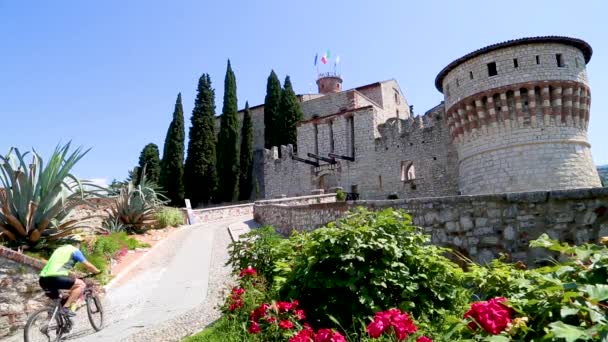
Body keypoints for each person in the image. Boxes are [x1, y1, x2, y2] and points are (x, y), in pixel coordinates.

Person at [38, 234, 100, 316]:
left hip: (43, 279)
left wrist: (70, 274)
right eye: (79, 243)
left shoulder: (58, 250)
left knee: (60, 299)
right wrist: (97, 271)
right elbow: (87, 265)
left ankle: (59, 319)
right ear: (77, 243)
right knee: (80, 285)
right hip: (56, 277)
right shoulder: (74, 250)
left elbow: (58, 264)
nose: (79, 245)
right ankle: (66, 308)